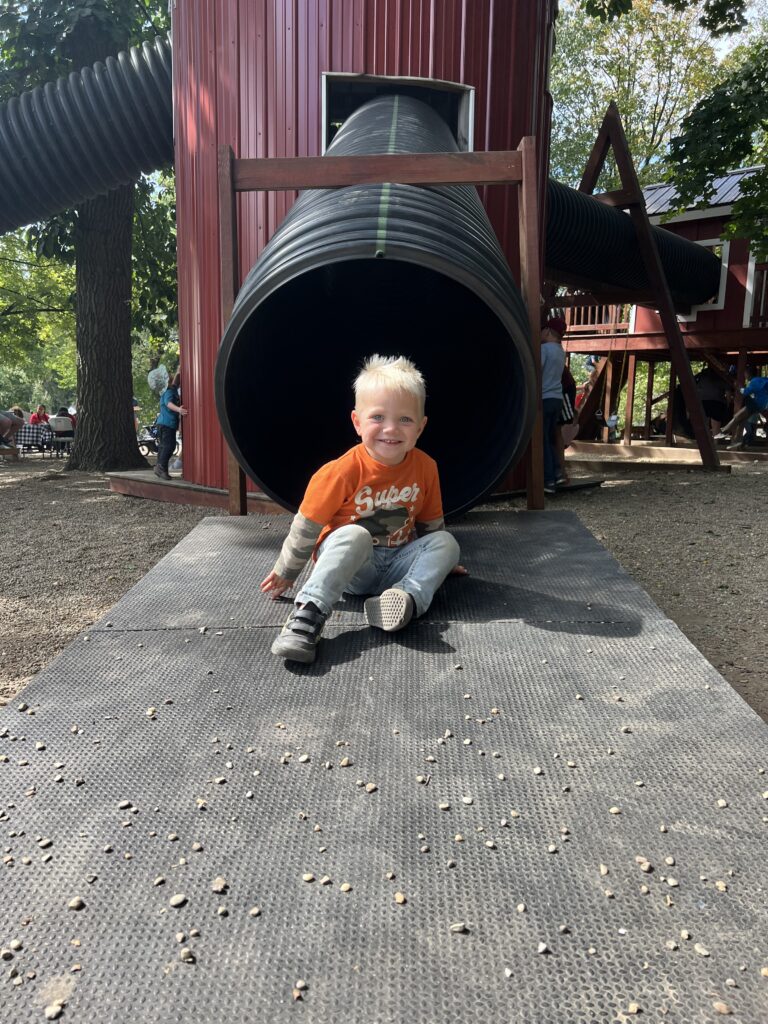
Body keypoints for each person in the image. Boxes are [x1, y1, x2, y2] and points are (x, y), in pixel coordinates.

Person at [261, 354, 466, 664]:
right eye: (378, 417)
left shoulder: (426, 467)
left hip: (398, 564)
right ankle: (308, 615)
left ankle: (404, 598)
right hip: (355, 568)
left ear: (421, 427)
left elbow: (430, 525)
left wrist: (440, 563)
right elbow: (307, 526)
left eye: (405, 420)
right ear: (357, 422)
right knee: (353, 535)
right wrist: (287, 572)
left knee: (447, 543)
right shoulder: (341, 471)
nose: (391, 429)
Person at [540, 316, 567, 495]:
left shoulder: (544, 349)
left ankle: (548, 480)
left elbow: (536, 368)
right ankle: (558, 471)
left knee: (541, 440)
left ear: (548, 331)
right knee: (549, 437)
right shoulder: (560, 351)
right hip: (557, 398)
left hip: (544, 398)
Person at [714, 372, 768, 449]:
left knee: (737, 418)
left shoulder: (755, 381)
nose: (745, 376)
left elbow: (745, 392)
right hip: (761, 404)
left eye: (746, 374)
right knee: (741, 421)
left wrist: (738, 388)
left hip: (755, 404)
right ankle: (735, 439)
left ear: (749, 374)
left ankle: (725, 433)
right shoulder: (764, 380)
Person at [154, 371, 187, 480]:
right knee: (169, 446)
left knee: (163, 446)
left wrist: (180, 372)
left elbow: (177, 379)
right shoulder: (168, 392)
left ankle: (160, 468)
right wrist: (179, 410)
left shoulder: (171, 388)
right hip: (167, 424)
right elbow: (169, 404)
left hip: (163, 424)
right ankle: (161, 468)